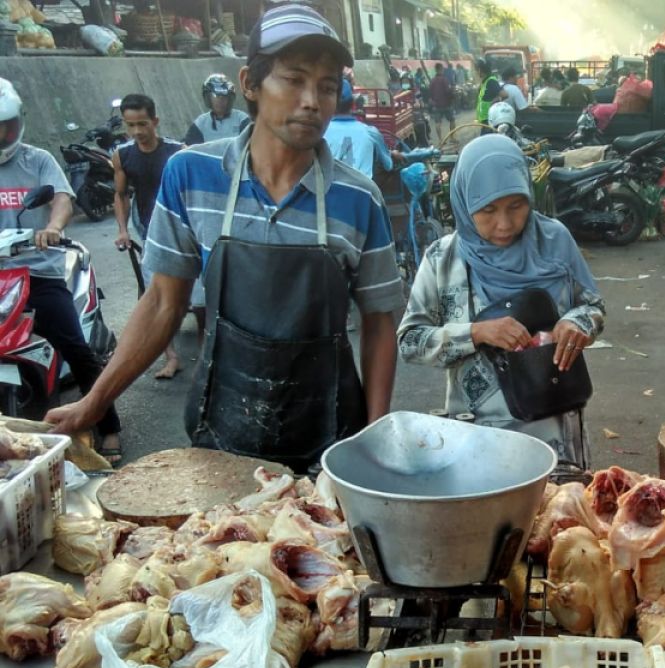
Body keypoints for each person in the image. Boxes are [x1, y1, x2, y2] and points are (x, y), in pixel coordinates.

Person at [47, 3, 404, 473]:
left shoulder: (359, 199)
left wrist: (370, 445)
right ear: (249, 85)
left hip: (329, 444)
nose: (312, 101)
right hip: (221, 434)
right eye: (293, 79)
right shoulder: (191, 175)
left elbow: (379, 325)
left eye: (326, 86)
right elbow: (162, 303)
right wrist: (93, 403)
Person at [398, 135, 605, 474]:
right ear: (464, 202)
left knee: (562, 521)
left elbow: (593, 306)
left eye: (516, 205)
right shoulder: (442, 259)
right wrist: (475, 333)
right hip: (476, 441)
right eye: (488, 210)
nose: (505, 224)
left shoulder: (554, 241)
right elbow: (409, 342)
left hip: (556, 435)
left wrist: (577, 323)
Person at [0, 79, 123, 462]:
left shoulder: (37, 160)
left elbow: (62, 198)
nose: (1, 133)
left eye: (6, 125)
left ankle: (109, 426)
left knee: (76, 346)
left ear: (19, 121)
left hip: (38, 271)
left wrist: (52, 228)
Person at [112, 93, 188, 380]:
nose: (137, 132)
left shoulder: (178, 152)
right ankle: (171, 357)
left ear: (155, 121)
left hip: (181, 231)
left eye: (142, 124)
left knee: (198, 297)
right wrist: (122, 230)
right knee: (157, 296)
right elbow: (120, 195)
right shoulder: (122, 156)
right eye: (130, 126)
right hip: (149, 230)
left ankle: (207, 355)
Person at [323, 78, 403, 181]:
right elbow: (388, 165)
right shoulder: (370, 132)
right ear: (353, 104)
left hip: (329, 193)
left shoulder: (320, 133)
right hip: (362, 194)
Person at [185, 73, 251, 145]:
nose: (220, 100)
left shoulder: (241, 119)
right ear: (208, 97)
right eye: (216, 96)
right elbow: (187, 148)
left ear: (230, 98)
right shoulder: (201, 123)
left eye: (224, 96)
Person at [426, 63, 456, 143]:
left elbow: (430, 93)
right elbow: (448, 91)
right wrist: (453, 95)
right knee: (452, 120)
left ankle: (440, 140)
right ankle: (452, 138)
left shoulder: (432, 81)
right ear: (441, 69)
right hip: (446, 104)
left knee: (437, 122)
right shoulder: (444, 80)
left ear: (435, 70)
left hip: (436, 105)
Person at [475, 58, 503, 126]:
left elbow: (504, 94)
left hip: (489, 119)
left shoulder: (491, 81)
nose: (476, 72)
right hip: (485, 118)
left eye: (476, 70)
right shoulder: (485, 81)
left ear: (479, 70)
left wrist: (493, 103)